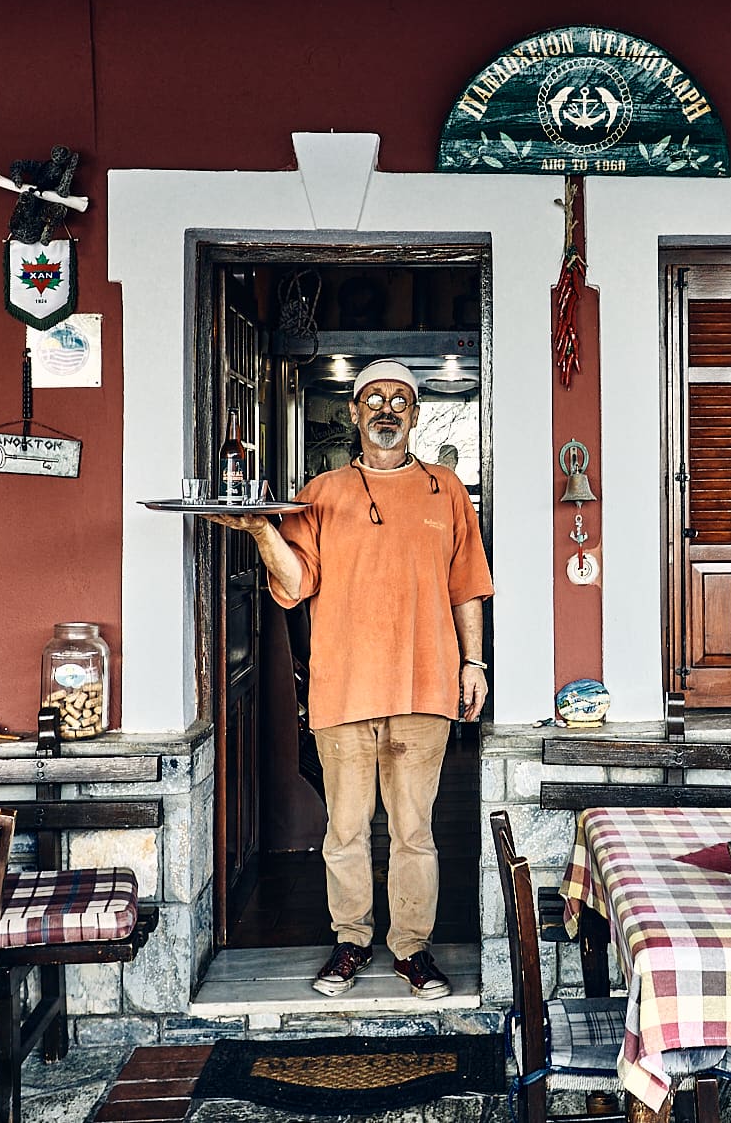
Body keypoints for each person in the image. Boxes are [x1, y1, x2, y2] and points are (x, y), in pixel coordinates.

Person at [207, 359, 492, 1000]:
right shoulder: (321, 492)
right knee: (346, 829)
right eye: (374, 400)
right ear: (354, 414)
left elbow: (467, 586)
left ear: (415, 415)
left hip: (425, 686)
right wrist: (259, 529)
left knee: (415, 831)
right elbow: (295, 581)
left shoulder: (446, 491)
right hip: (343, 688)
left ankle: (412, 949)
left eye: (399, 400)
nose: (387, 410)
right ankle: (351, 940)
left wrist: (473, 664)